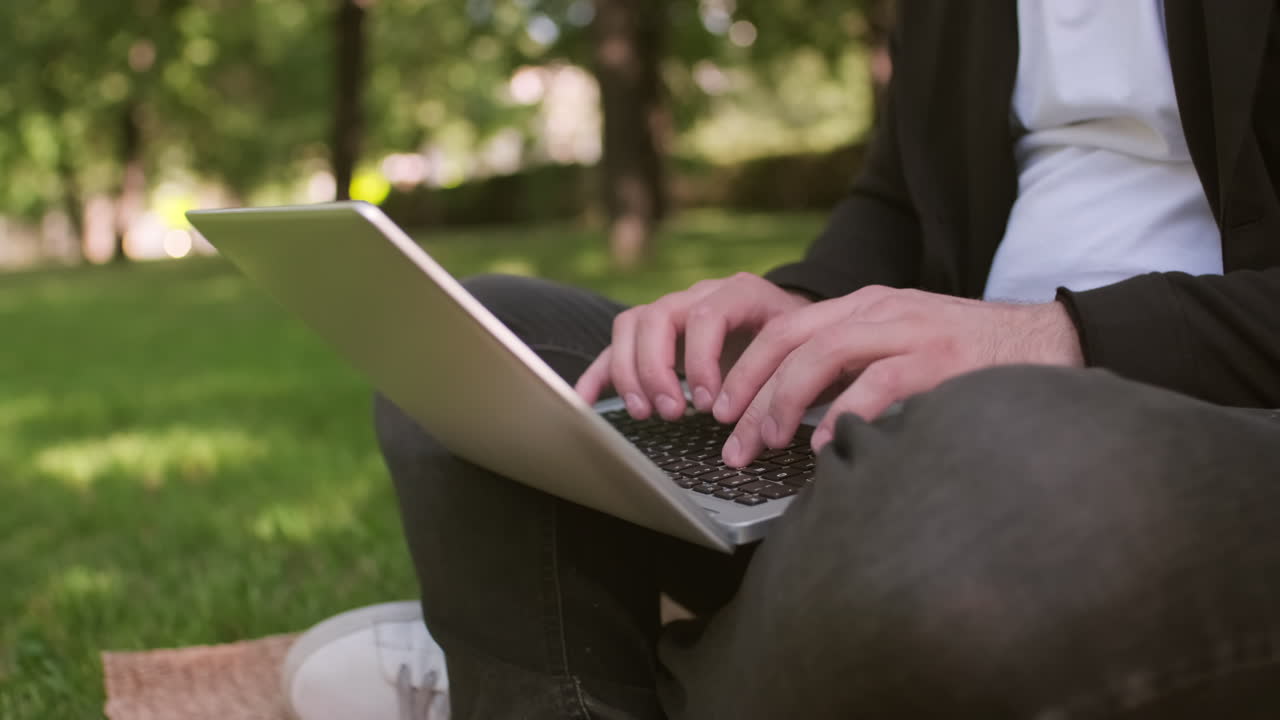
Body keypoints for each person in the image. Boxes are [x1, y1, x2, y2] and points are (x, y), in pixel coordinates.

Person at [282, 1, 1280, 718]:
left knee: (989, 472)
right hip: (926, 410)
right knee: (494, 343)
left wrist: (1049, 337)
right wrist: (802, 304)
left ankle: (538, 671)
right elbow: (897, 194)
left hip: (1166, 433)